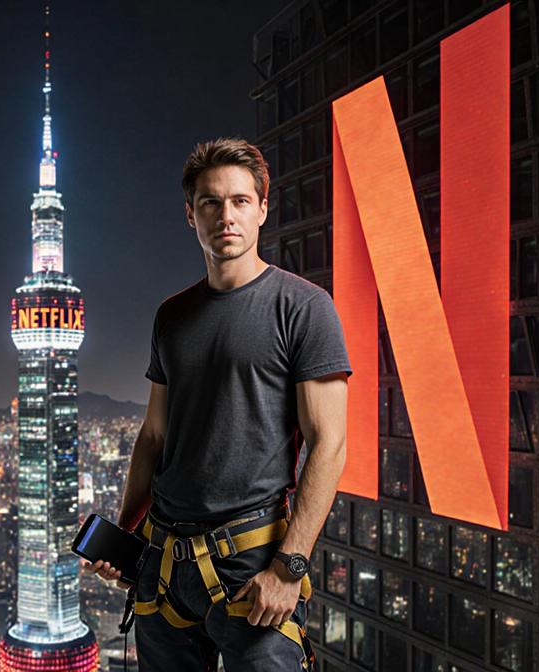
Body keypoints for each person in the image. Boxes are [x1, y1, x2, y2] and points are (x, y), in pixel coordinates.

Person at [90, 138, 349, 671]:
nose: (225, 216)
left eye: (239, 201)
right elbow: (154, 437)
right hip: (161, 563)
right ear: (191, 214)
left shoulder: (304, 308)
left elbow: (330, 443)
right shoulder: (171, 316)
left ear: (262, 209)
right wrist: (124, 535)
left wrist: (290, 567)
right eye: (210, 202)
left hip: (249, 564)